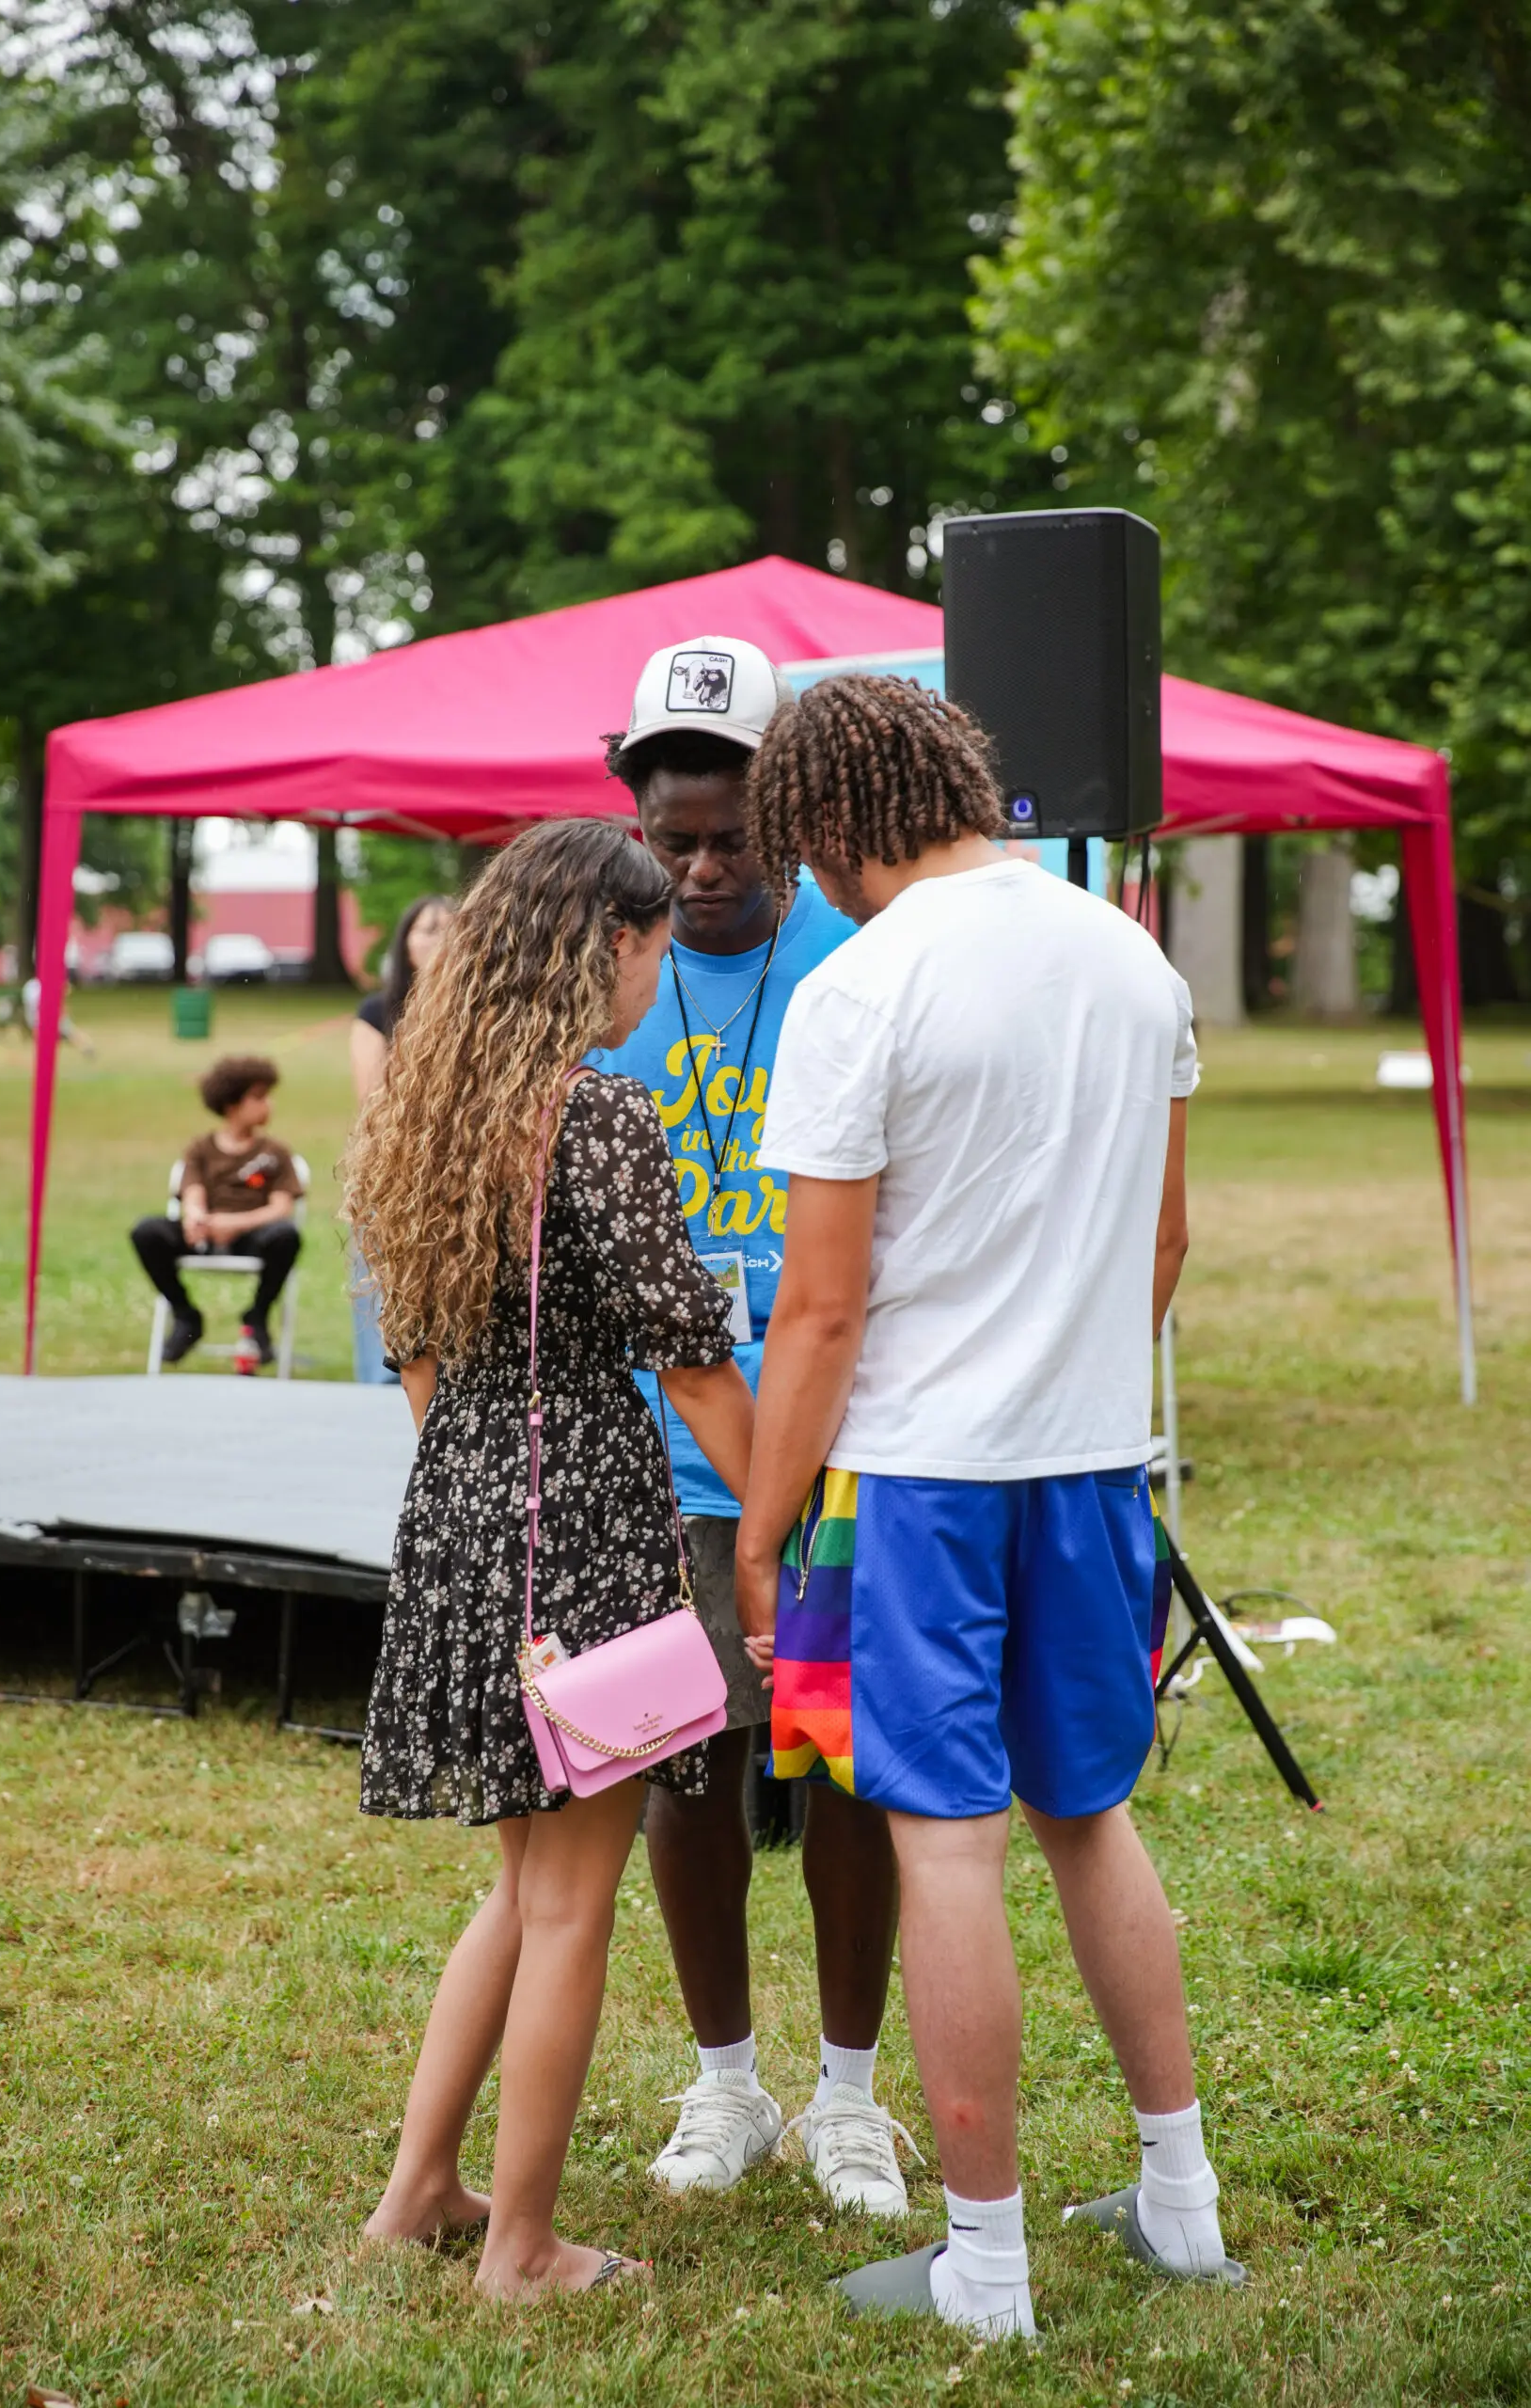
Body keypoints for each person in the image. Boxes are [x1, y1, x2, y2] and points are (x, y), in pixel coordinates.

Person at [734, 676, 1239, 2340]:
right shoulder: (1130, 955)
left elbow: (815, 1315)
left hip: (911, 1487)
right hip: (1094, 1469)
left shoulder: (857, 988)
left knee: (942, 1847)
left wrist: (760, 1520)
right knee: (1090, 1815)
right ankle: (1180, 2207)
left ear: (821, 824)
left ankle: (989, 2271)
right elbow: (1162, 1247)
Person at [344, 818, 756, 2300]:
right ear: (611, 946)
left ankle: (420, 2194)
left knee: (519, 1892)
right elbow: (694, 1361)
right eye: (653, 946)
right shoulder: (593, 1115)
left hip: (459, 1503)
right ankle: (519, 2245)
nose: (662, 970)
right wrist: (761, 1531)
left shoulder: (424, 1109)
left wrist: (478, 1467)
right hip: (571, 1523)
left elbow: (409, 1348)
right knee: (574, 1898)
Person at [594, 635, 909, 2215]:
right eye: (676, 841)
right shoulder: (603, 982)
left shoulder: (862, 962)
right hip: (657, 1464)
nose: (703, 870)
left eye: (732, 836)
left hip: (841, 1448)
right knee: (682, 1771)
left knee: (847, 1764)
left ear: (788, 820)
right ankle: (726, 2083)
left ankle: (849, 2099)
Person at [131, 1054, 303, 1371]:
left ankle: (258, 1315)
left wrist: (234, 1223)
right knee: (146, 1232)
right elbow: (192, 1192)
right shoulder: (201, 1149)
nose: (268, 1105)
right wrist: (196, 1218)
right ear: (232, 1104)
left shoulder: (274, 1153)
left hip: (252, 1235)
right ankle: (184, 1314)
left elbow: (281, 1207)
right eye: (259, 1097)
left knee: (286, 1236)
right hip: (205, 1233)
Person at [348, 893, 453, 1384]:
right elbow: (372, 1098)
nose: (439, 938)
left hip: (458, 1165)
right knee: (384, 1275)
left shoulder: (477, 1011)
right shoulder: (378, 1012)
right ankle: (381, 1379)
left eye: (450, 927)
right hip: (396, 1163)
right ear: (405, 940)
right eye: (427, 928)